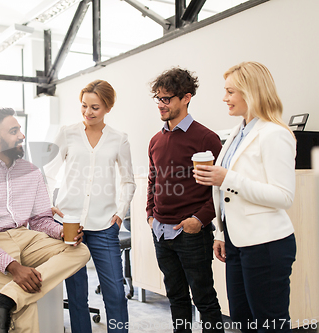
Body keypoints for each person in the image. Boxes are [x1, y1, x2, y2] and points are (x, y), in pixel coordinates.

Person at [0, 108, 90, 333]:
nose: (22, 136)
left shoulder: (32, 172)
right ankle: (11, 301)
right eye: (14, 131)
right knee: (26, 308)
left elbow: (40, 221)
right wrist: (14, 267)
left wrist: (61, 233)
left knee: (80, 251)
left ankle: (3, 301)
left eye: (19, 130)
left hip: (24, 235)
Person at [193, 61, 296, 333]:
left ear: (251, 92)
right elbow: (229, 196)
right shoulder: (237, 133)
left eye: (230, 92)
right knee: (242, 321)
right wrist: (221, 234)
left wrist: (227, 178)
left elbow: (283, 196)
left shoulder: (274, 134)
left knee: (270, 325)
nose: (224, 98)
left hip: (267, 244)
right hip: (238, 244)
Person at [44, 79, 136, 333]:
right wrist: (46, 205)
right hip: (69, 225)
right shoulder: (67, 133)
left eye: (95, 107)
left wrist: (120, 213)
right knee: (76, 296)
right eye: (84, 106)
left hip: (105, 226)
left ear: (108, 107)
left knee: (116, 294)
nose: (87, 112)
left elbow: (128, 181)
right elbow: (49, 172)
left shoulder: (119, 139)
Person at [147, 67, 224, 332]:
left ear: (186, 98)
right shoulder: (156, 140)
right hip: (161, 232)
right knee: (176, 298)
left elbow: (222, 190)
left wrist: (199, 220)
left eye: (166, 98)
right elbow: (153, 179)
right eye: (158, 98)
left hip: (191, 234)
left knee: (205, 300)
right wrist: (150, 214)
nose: (161, 104)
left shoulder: (206, 138)